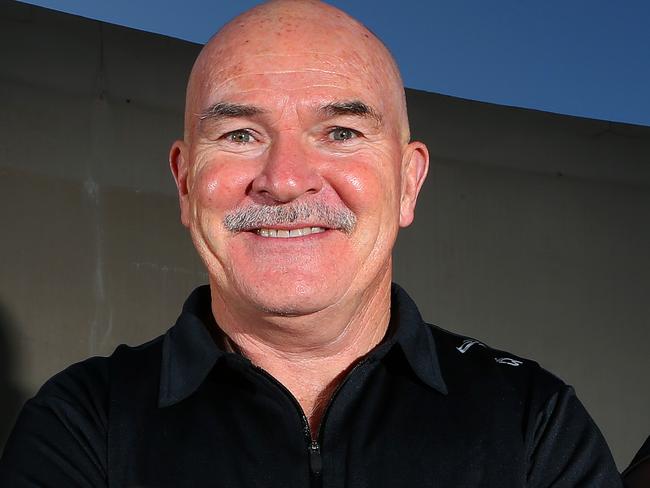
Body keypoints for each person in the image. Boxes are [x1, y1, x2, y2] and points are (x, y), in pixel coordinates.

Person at [0, 1, 623, 486]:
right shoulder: (81, 425)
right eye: (241, 134)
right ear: (186, 183)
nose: (285, 179)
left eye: (341, 131)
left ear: (409, 182)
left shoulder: (534, 423)